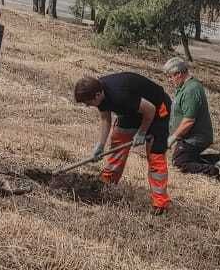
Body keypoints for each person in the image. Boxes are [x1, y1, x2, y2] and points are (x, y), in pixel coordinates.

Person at [73, 72, 173, 214]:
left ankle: (160, 202)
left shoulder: (120, 94)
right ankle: (107, 182)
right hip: (133, 110)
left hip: (157, 110)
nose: (88, 106)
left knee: (155, 155)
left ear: (97, 95)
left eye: (88, 103)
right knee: (118, 138)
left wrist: (142, 132)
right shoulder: (99, 91)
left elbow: (150, 110)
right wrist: (101, 145)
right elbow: (105, 118)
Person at [163, 57, 220, 178]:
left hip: (195, 138)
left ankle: (215, 170)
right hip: (188, 136)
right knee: (184, 156)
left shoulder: (191, 91)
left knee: (180, 162)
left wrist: (173, 138)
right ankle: (217, 158)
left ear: (179, 74)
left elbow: (188, 121)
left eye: (170, 76)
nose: (169, 80)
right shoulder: (184, 87)